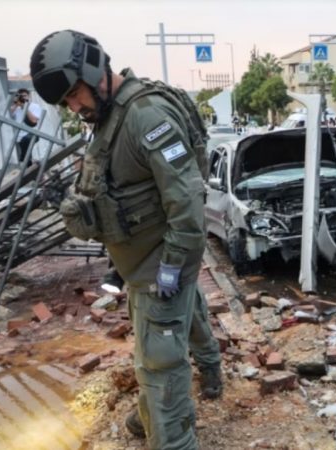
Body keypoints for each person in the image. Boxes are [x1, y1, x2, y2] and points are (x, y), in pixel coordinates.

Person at [30, 30, 222, 449]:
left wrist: (171, 269)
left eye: (74, 94)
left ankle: (171, 436)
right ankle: (185, 388)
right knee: (184, 322)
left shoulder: (145, 117)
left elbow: (187, 204)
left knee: (160, 365)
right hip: (143, 262)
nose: (74, 106)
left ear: (94, 71)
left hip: (160, 265)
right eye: (66, 102)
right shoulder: (110, 114)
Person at [9, 88, 43, 166]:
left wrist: (25, 107)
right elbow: (8, 114)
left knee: (27, 142)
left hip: (32, 134)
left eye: (25, 96)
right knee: (27, 159)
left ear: (29, 96)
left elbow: (34, 120)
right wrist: (16, 103)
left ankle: (23, 159)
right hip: (19, 137)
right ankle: (28, 163)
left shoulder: (34, 106)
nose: (23, 98)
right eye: (21, 96)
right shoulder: (17, 107)